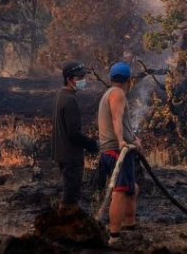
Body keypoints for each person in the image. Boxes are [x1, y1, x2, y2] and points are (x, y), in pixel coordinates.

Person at [96, 62, 142, 246]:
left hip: (119, 149)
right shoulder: (118, 94)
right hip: (117, 150)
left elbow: (121, 122)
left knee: (132, 188)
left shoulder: (109, 93)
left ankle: (129, 224)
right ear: (128, 80)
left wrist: (134, 139)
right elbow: (116, 119)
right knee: (120, 191)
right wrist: (123, 141)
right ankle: (114, 235)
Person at [51, 61, 99, 213]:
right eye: (80, 77)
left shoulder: (60, 94)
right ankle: (65, 225)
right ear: (70, 79)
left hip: (62, 154)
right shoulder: (70, 100)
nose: (83, 81)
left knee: (69, 191)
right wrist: (92, 145)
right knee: (71, 195)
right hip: (71, 156)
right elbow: (73, 133)